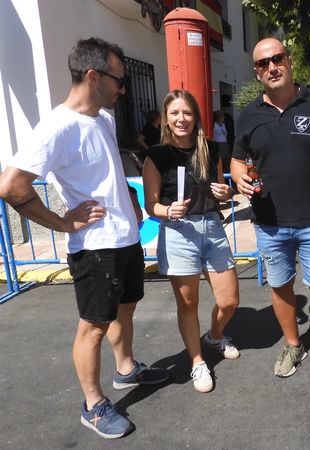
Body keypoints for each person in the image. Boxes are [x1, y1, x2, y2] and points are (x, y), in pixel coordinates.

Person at [0, 37, 169, 439]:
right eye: (119, 80)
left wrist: (128, 199)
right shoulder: (56, 127)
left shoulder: (104, 118)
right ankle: (93, 406)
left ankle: (126, 369)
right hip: (94, 247)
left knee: (125, 308)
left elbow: (103, 170)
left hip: (125, 238)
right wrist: (62, 223)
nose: (122, 89)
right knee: (93, 327)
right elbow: (11, 186)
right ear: (93, 76)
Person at [230, 37, 310, 396]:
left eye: (277, 58)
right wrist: (239, 178)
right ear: (257, 72)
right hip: (269, 223)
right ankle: (293, 345)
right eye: (263, 63)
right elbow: (237, 160)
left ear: (289, 61)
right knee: (281, 288)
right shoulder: (248, 116)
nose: (271, 67)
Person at [143, 90, 240, 393]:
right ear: (166, 118)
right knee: (188, 303)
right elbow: (151, 205)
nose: (181, 119)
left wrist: (226, 193)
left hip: (212, 226)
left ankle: (214, 335)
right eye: (174, 113)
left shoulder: (210, 149)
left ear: (196, 116)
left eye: (186, 112)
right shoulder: (157, 156)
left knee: (229, 300)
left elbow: (220, 190)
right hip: (178, 231)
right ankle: (197, 361)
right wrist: (167, 210)